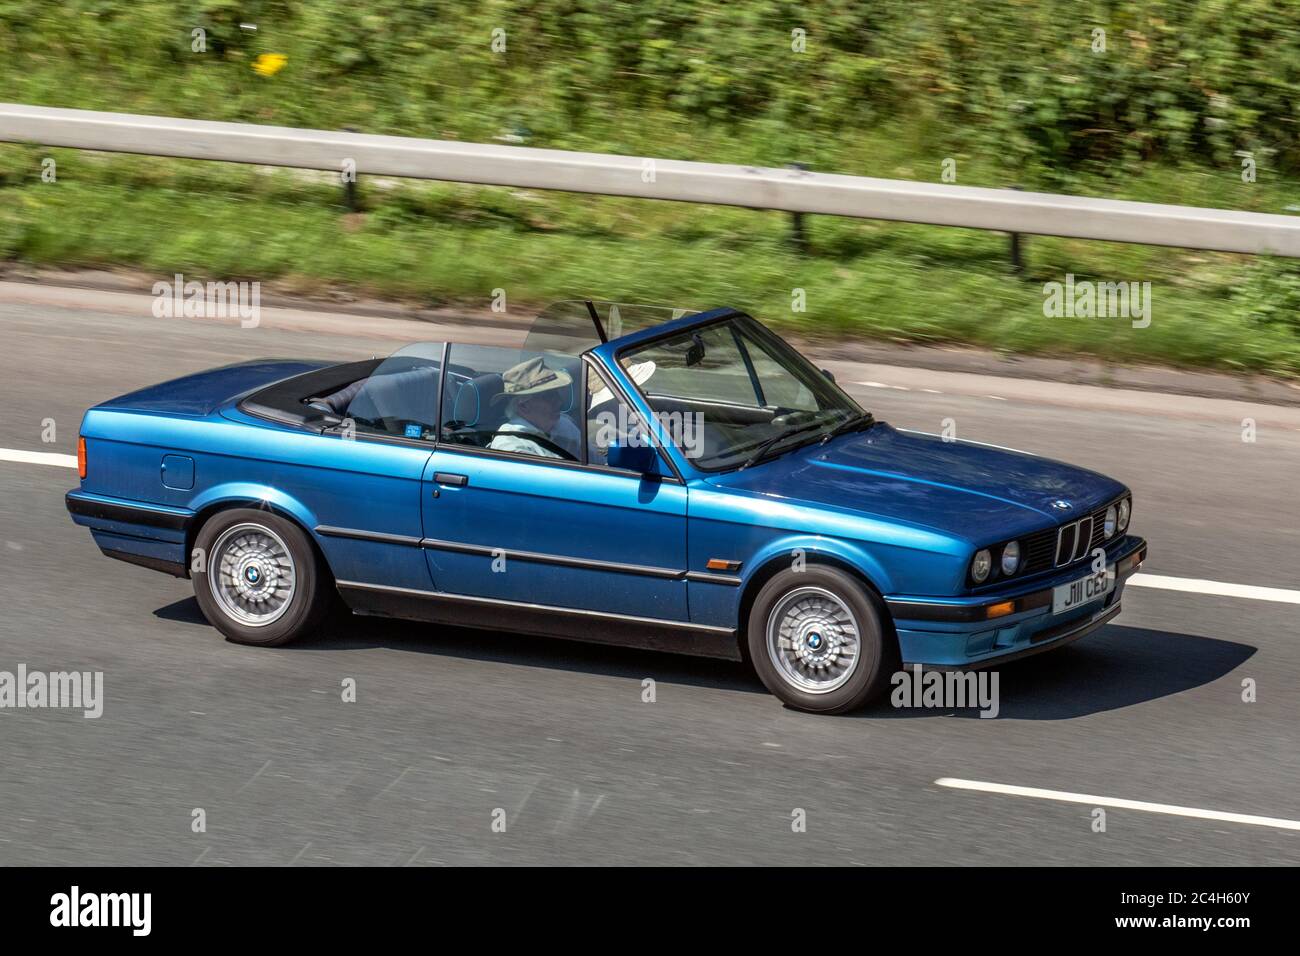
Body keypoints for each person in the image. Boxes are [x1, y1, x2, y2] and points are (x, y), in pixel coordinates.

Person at [488, 355, 581, 459]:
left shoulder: (565, 424)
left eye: (557, 394)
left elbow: (596, 461)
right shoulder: (510, 444)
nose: (559, 401)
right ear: (523, 406)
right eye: (549, 396)